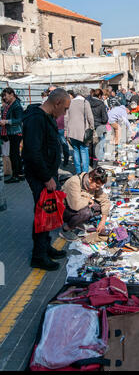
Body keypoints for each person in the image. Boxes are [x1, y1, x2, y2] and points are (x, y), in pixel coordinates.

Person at [22, 88, 71, 270]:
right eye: (65, 109)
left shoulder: (46, 116)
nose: (64, 113)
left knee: (48, 211)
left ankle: (45, 247)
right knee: (42, 214)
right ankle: (39, 256)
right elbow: (32, 152)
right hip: (41, 177)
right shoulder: (36, 119)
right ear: (57, 103)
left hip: (48, 175)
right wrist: (46, 178)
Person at [59, 167, 110, 242]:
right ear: (90, 179)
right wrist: (88, 199)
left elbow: (105, 200)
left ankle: (77, 222)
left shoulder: (94, 184)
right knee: (86, 212)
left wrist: (103, 221)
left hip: (75, 207)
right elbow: (76, 205)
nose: (97, 189)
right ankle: (66, 229)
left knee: (98, 207)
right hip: (63, 209)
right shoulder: (74, 182)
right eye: (97, 186)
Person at [64, 86, 94, 174]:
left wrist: (66, 129)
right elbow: (90, 117)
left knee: (76, 150)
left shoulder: (70, 102)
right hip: (83, 130)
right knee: (84, 150)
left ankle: (78, 172)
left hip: (72, 131)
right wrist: (92, 127)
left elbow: (66, 117)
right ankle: (84, 172)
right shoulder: (85, 102)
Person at [0, 87, 24, 183]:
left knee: (13, 155)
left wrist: (6, 121)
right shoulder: (11, 104)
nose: (4, 98)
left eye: (5, 95)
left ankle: (15, 175)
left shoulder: (16, 106)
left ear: (11, 94)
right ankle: (20, 174)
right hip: (12, 133)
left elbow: (19, 120)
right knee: (15, 154)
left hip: (15, 133)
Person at [88, 89, 108, 166]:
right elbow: (105, 118)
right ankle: (96, 163)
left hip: (90, 126)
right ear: (99, 96)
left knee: (90, 144)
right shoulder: (101, 104)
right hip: (99, 126)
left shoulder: (88, 103)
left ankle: (90, 161)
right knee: (99, 144)